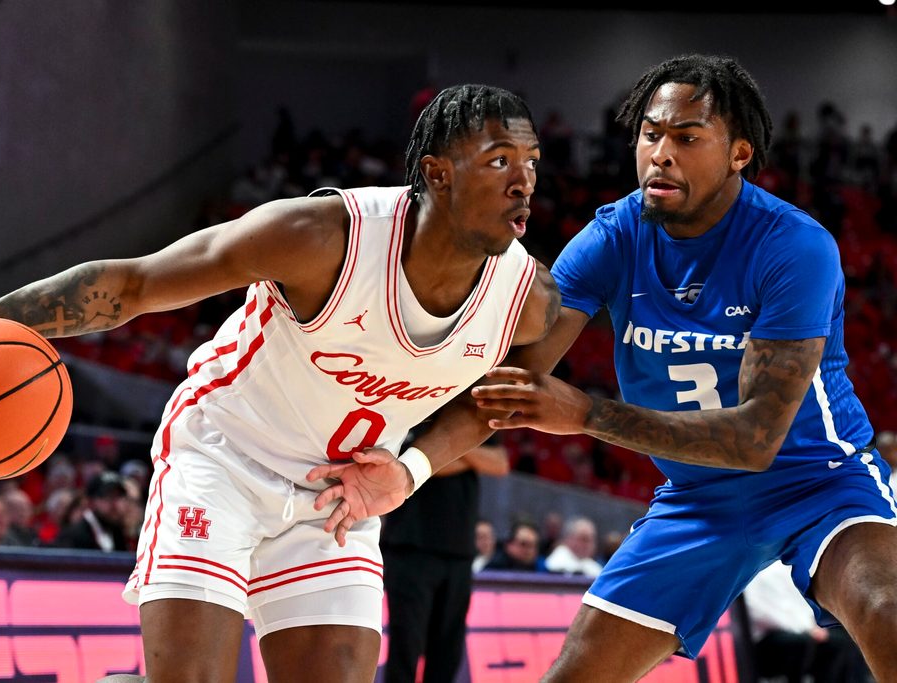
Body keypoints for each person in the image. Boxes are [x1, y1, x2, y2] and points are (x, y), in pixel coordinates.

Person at [0, 84, 559, 683]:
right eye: (501, 160)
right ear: (437, 174)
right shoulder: (326, 237)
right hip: (224, 459)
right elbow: (136, 284)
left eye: (531, 163)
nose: (523, 181)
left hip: (334, 496)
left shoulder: (527, 300)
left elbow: (507, 400)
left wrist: (410, 469)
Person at [467, 54, 897, 681]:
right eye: (650, 133)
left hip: (819, 482)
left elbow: (755, 441)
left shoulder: (795, 246)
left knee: (887, 611)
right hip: (697, 497)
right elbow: (514, 382)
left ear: (739, 153)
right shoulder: (612, 235)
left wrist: (587, 413)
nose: (660, 152)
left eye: (687, 137)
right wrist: (405, 466)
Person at [380, 429, 508, 683]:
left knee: (448, 649)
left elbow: (500, 463)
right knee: (406, 645)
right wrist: (467, 446)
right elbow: (407, 470)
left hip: (458, 551)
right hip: (409, 547)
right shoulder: (412, 412)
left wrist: (446, 447)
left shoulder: (472, 411)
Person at [744, 560, 869, 683]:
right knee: (803, 643)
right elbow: (761, 612)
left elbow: (801, 605)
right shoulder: (753, 574)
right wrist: (806, 629)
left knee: (845, 642)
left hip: (801, 629)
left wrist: (813, 627)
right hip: (767, 637)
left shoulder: (786, 569)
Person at [55, 471, 129, 552]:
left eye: (119, 496)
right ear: (91, 502)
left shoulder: (117, 532)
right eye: (108, 497)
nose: (116, 504)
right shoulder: (75, 535)